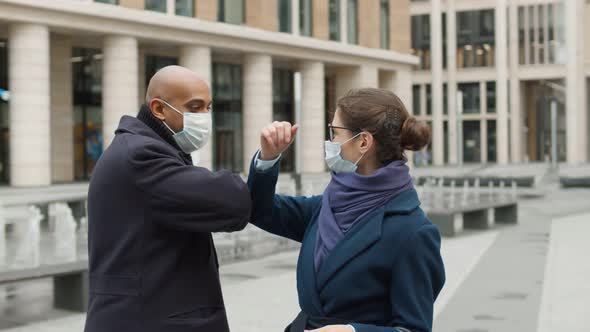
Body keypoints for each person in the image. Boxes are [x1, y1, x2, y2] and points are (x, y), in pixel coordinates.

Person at [248, 88, 445, 332]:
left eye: (334, 132)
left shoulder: (413, 231)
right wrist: (267, 158)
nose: (329, 142)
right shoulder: (327, 203)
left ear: (363, 141)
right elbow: (259, 210)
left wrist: (353, 331)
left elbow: (413, 329)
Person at [84, 66, 252, 332]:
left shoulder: (148, 147)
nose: (205, 117)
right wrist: (263, 167)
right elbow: (232, 203)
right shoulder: (142, 155)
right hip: (150, 320)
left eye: (208, 107)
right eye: (194, 107)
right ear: (159, 109)